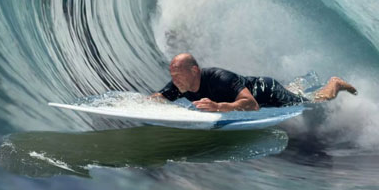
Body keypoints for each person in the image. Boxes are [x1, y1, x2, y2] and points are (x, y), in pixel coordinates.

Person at [151, 52, 356, 113]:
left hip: (267, 91)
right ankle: (301, 82)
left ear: (194, 71)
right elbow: (160, 97)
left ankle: (334, 83)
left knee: (311, 102)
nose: (174, 80)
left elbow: (252, 105)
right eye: (172, 75)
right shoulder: (180, 84)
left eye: (178, 75)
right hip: (252, 87)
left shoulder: (219, 78)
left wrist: (219, 107)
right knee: (295, 92)